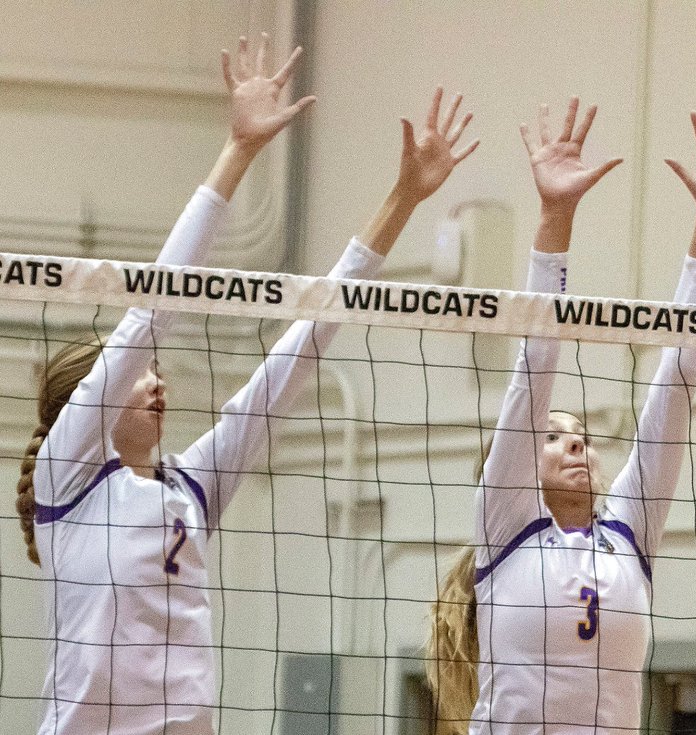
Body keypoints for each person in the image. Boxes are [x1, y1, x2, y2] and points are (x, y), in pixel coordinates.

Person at [16, 34, 479, 734]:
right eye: (138, 373)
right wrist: (238, 152)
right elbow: (153, 311)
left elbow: (304, 345)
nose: (156, 380)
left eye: (155, 372)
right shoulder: (69, 476)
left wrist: (404, 198)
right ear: (89, 404)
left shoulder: (190, 488)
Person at [426, 99, 696, 734]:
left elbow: (677, 380)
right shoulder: (505, 529)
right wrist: (556, 214)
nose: (576, 444)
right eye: (554, 437)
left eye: (581, 435)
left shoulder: (627, 539)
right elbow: (535, 364)